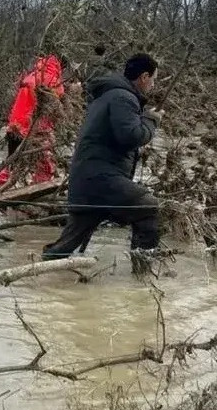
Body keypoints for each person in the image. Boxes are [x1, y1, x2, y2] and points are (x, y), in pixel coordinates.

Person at [42, 53, 163, 272]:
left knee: (63, 248)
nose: (153, 85)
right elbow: (130, 137)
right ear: (144, 77)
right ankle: (143, 279)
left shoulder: (109, 95)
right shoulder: (123, 98)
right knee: (148, 207)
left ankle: (36, 277)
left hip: (88, 180)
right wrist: (151, 121)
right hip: (101, 179)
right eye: (153, 79)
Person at [0, 54, 65, 187]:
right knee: (44, 159)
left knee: (11, 158)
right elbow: (56, 103)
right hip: (34, 127)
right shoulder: (53, 81)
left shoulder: (30, 76)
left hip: (14, 124)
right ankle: (41, 186)